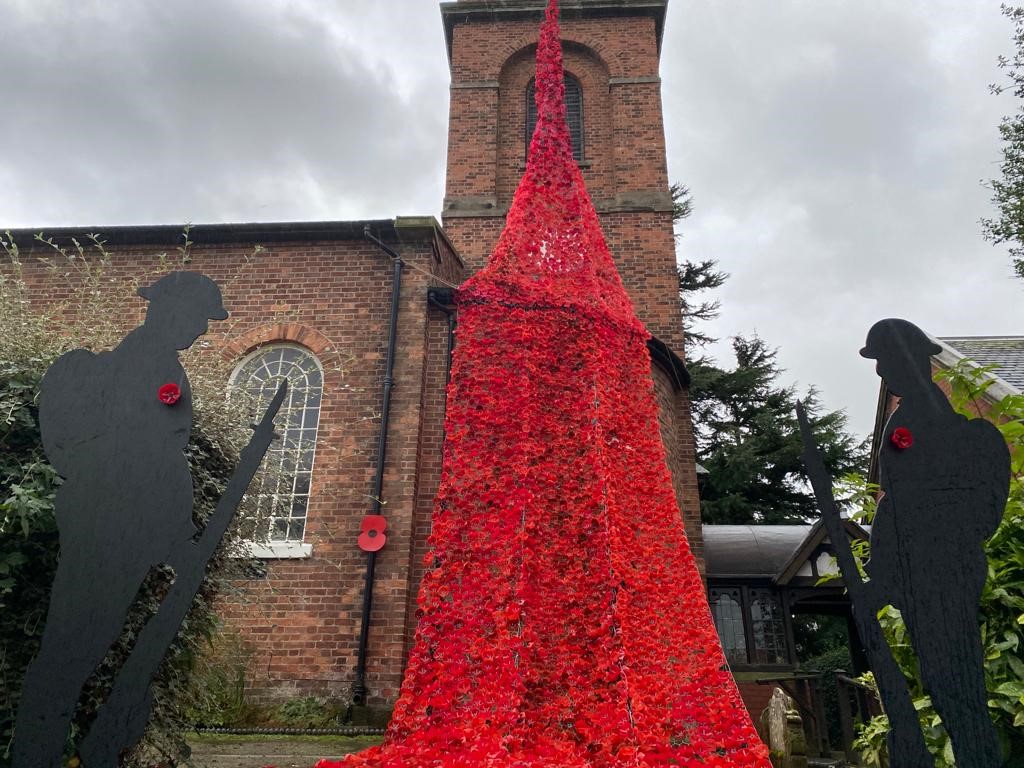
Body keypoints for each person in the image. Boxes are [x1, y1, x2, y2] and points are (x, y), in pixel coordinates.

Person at [12, 272, 228, 768]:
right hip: (109, 528)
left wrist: (177, 534)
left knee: (84, 648)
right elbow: (144, 459)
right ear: (169, 310)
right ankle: (37, 754)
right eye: (198, 318)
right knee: (70, 650)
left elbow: (164, 460)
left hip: (132, 531)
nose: (202, 331)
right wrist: (174, 531)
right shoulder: (137, 367)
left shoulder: (164, 368)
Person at [860, 318, 1007, 768]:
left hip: (935, 566)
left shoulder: (922, 421)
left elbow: (903, 504)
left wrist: (881, 573)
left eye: (884, 359)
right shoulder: (915, 416)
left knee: (953, 680)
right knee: (948, 680)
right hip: (937, 565)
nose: (881, 372)